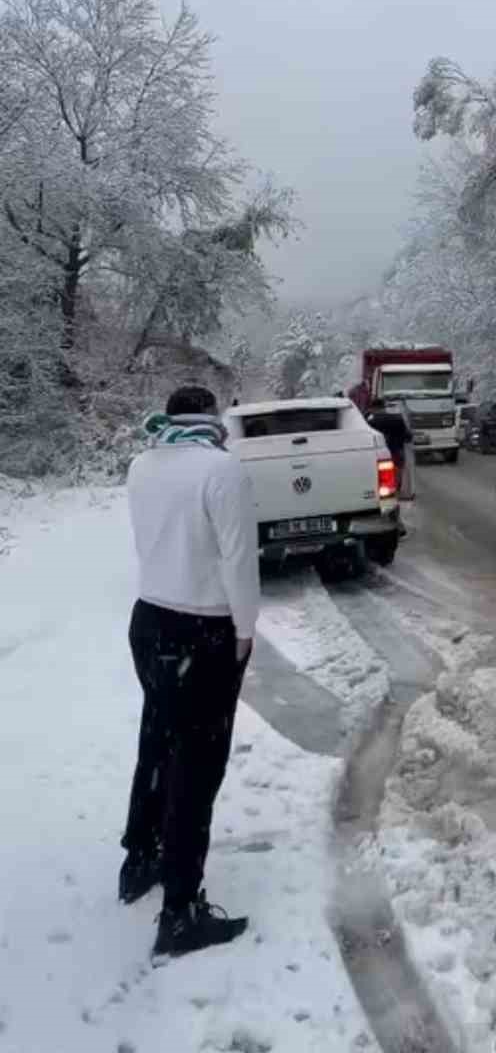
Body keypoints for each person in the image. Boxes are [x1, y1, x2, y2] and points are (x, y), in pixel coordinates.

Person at [120, 385, 260, 960]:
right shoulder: (221, 470)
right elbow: (238, 559)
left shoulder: (142, 464)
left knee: (157, 742)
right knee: (196, 767)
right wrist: (245, 631)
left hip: (150, 622)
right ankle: (180, 912)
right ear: (213, 417)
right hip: (202, 631)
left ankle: (140, 859)